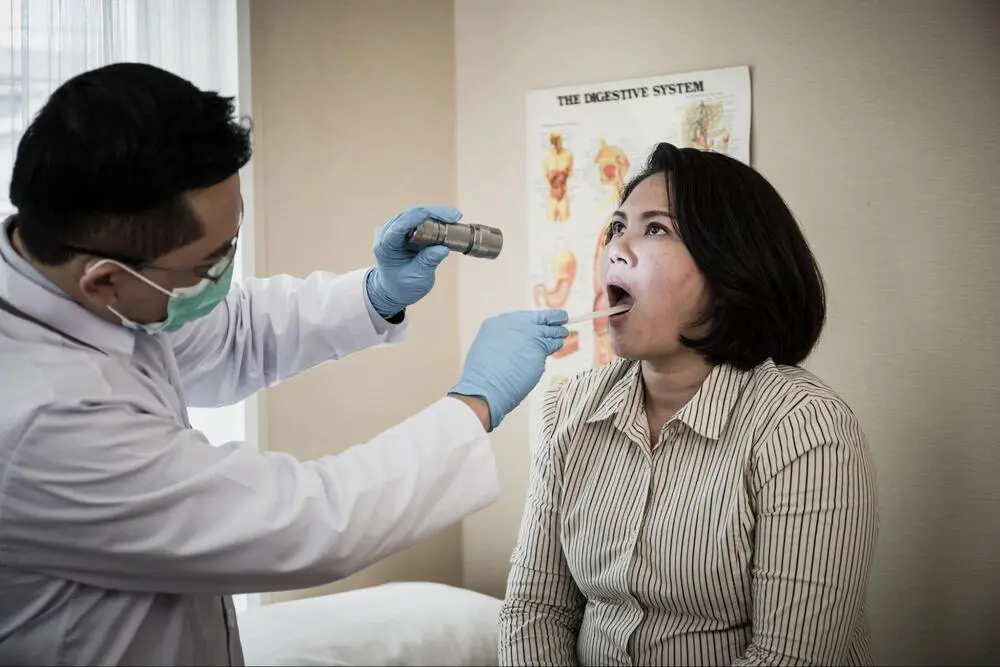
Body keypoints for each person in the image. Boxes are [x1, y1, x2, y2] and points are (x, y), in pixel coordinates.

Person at [0, 63, 569, 665]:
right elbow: (311, 522)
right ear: (106, 280)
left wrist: (376, 293)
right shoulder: (42, 418)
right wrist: (474, 404)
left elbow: (231, 334)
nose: (223, 274)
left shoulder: (86, 292)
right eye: (210, 263)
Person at [498, 143, 879, 666]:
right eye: (617, 227)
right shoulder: (569, 408)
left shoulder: (803, 427)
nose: (616, 248)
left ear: (730, 269)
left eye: (656, 229)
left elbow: (790, 659)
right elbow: (534, 609)